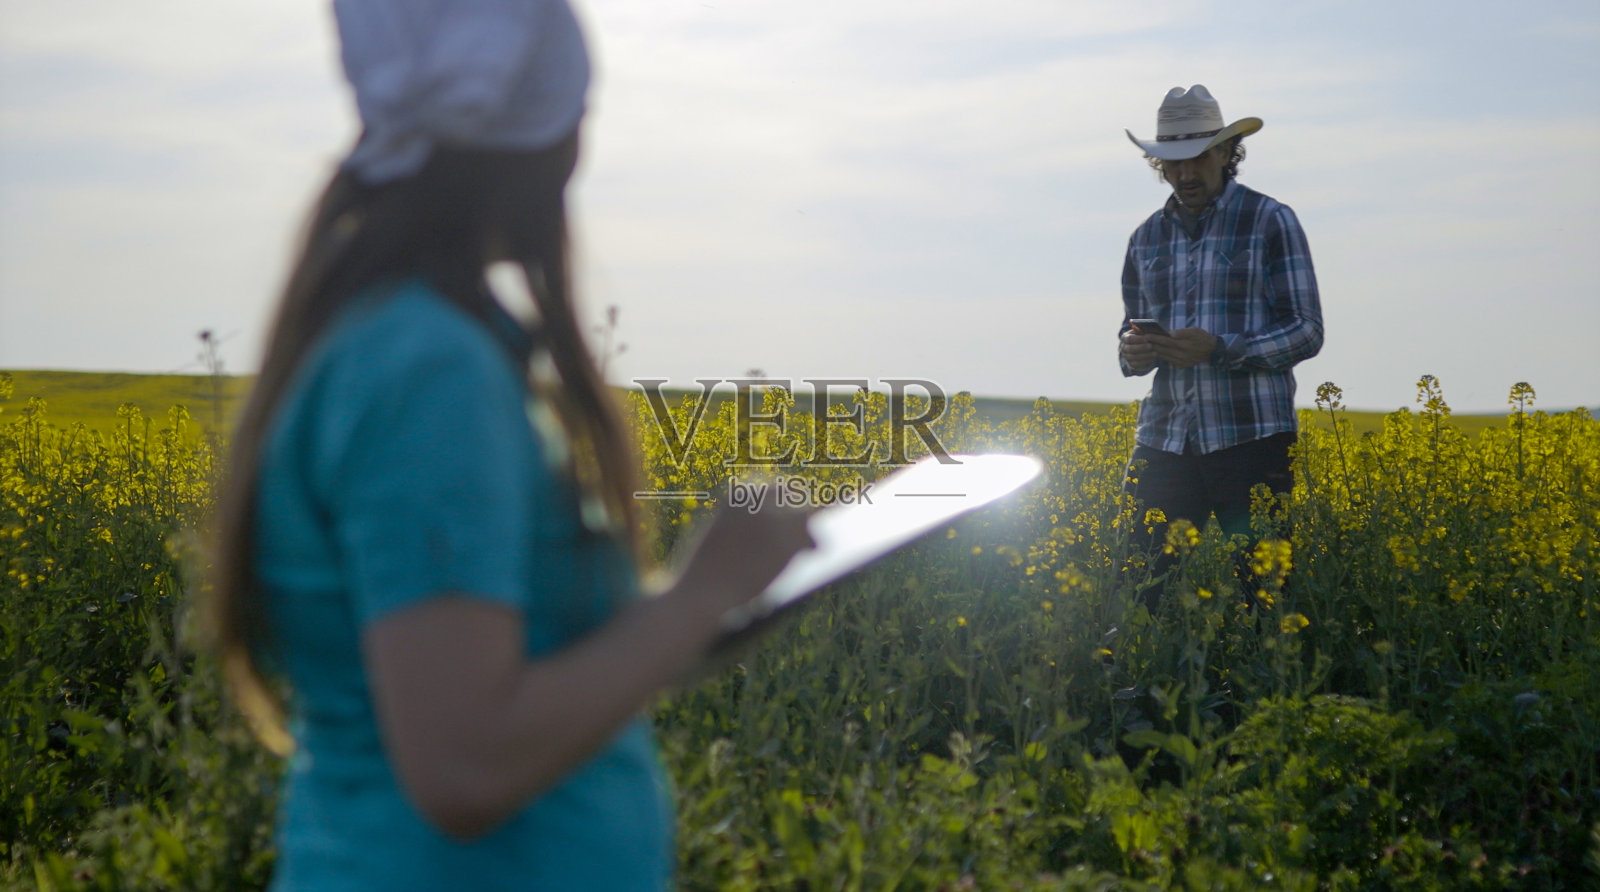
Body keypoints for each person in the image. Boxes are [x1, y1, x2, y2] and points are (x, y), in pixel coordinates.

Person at [204, 2, 812, 889]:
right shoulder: (429, 372)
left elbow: (498, 661)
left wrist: (708, 596)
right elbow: (464, 764)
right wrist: (704, 592)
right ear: (551, 134)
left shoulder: (393, 336)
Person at [1116, 84, 1323, 583]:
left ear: (1229, 153)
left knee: (1264, 594)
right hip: (1165, 436)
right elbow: (1130, 330)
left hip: (1250, 438)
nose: (1185, 174)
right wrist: (1133, 349)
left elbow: (1306, 329)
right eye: (1172, 163)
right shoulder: (1146, 236)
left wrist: (1223, 349)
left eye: (1199, 159)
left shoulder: (1270, 221)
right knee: (1138, 585)